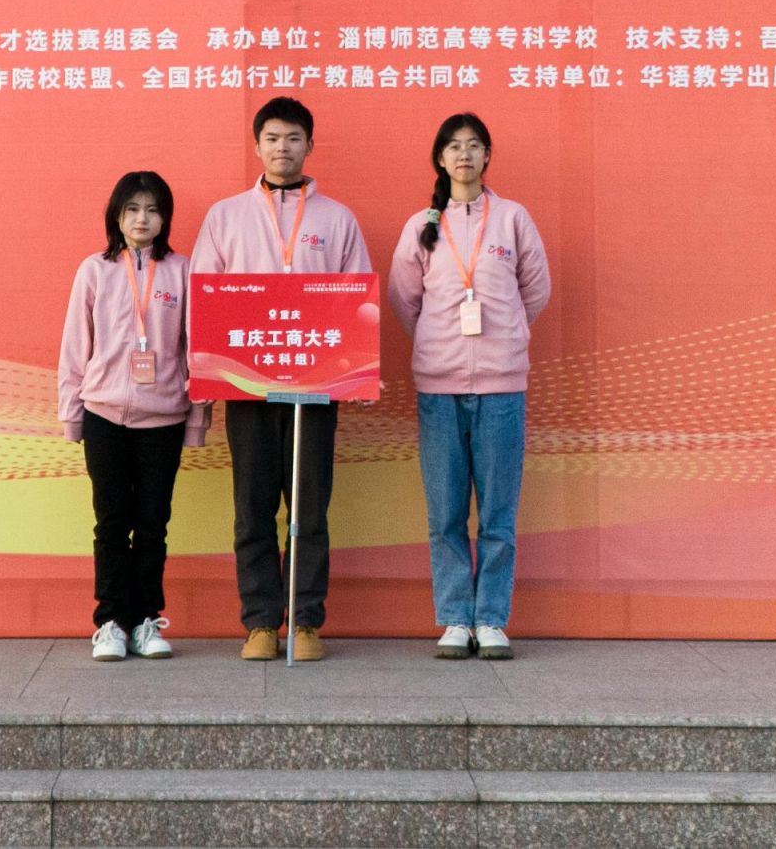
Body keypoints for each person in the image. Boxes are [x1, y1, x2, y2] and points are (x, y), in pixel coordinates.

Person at [192, 97, 371, 662]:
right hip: (246, 386)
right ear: (257, 146)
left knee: (308, 508)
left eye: (293, 138)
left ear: (309, 146)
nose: (282, 148)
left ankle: (306, 621)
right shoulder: (225, 217)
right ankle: (261, 624)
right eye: (272, 138)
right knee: (252, 507)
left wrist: (357, 372)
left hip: (315, 387)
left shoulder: (337, 219)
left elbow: (357, 300)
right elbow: (203, 300)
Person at [385, 113, 550, 660]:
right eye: (454, 147)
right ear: (440, 158)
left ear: (487, 156)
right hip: (439, 387)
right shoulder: (421, 226)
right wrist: (438, 343)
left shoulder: (513, 219)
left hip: (502, 387)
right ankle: (456, 618)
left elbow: (536, 290)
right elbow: (404, 299)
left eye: (474, 146)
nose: (464, 155)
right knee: (446, 512)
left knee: (499, 513)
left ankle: (492, 619)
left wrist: (505, 335)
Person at [58, 171, 209, 662]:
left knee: (152, 524)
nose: (142, 219)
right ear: (117, 216)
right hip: (103, 414)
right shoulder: (94, 270)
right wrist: (72, 415)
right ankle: (109, 623)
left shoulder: (182, 271)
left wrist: (196, 420)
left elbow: (197, 350)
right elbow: (75, 348)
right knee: (110, 522)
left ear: (165, 218)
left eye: (152, 210)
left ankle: (145, 620)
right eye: (132, 210)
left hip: (163, 417)